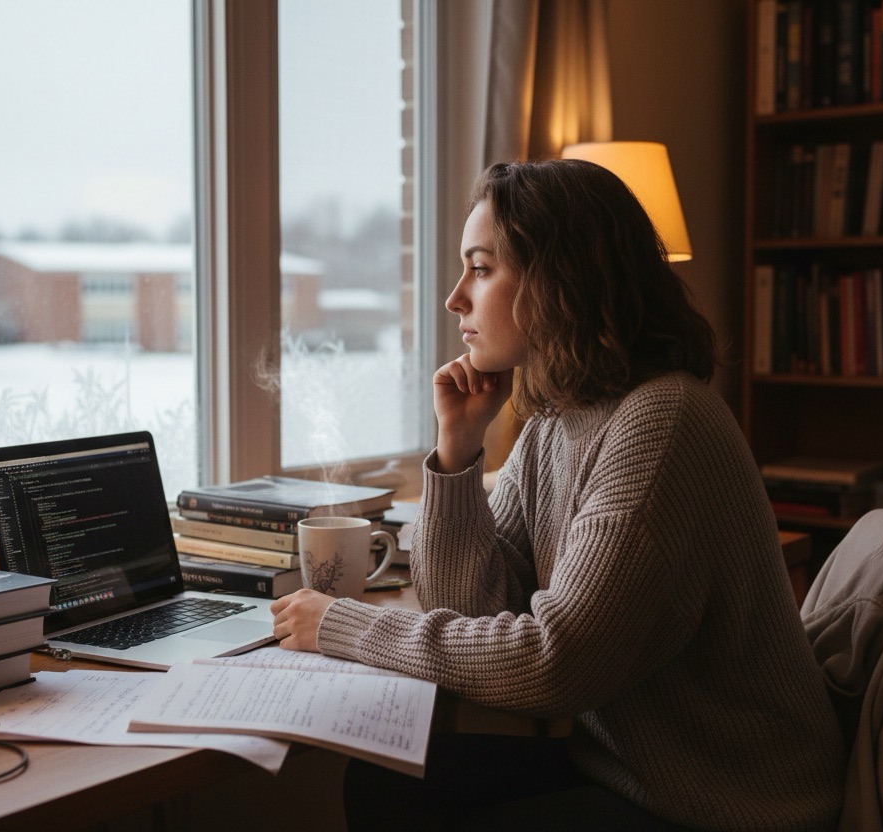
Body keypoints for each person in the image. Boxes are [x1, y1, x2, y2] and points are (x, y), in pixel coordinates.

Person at [270, 158, 845, 831]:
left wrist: (343, 624)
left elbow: (557, 663)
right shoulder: (558, 418)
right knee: (386, 783)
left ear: (559, 281)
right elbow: (466, 602)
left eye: (482, 269)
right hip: (627, 769)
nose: (456, 297)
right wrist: (456, 452)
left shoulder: (660, 423)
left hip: (728, 802)